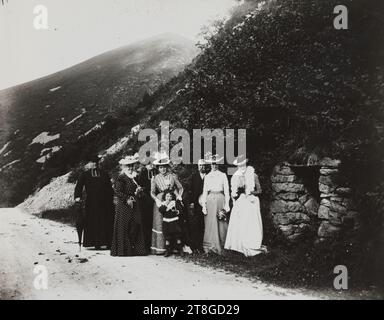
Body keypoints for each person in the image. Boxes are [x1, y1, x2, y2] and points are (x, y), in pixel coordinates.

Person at [225, 154, 264, 257]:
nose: (241, 166)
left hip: (251, 201)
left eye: (243, 164)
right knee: (239, 222)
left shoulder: (253, 175)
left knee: (250, 223)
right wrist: (237, 194)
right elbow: (233, 192)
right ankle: (239, 245)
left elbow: (260, 190)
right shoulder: (235, 176)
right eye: (239, 165)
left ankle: (250, 243)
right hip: (241, 201)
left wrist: (251, 192)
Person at [74, 154, 114, 249]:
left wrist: (111, 198)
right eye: (92, 162)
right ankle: (94, 243)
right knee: (93, 222)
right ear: (90, 163)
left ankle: (105, 242)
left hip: (104, 203)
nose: (94, 164)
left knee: (104, 221)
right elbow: (78, 187)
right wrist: (77, 197)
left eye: (96, 162)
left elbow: (109, 188)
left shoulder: (104, 174)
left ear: (98, 163)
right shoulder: (85, 174)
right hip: (91, 202)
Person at [111, 154, 147, 256]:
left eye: (132, 165)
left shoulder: (136, 176)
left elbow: (140, 190)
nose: (130, 167)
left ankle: (136, 249)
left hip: (135, 203)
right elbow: (117, 191)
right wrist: (127, 198)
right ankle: (125, 250)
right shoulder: (121, 177)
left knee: (136, 224)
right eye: (128, 166)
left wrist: (139, 191)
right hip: (124, 205)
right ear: (124, 167)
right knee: (125, 226)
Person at [150, 154, 184, 255]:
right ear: (158, 168)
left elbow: (180, 188)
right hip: (161, 200)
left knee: (174, 223)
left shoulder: (172, 176)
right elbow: (152, 192)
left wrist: (178, 197)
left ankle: (176, 247)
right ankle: (162, 248)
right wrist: (156, 199)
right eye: (160, 167)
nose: (163, 169)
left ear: (167, 167)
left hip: (172, 198)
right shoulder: (155, 178)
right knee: (161, 223)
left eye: (164, 166)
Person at [201, 154, 230, 255]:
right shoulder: (207, 176)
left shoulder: (223, 175)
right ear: (210, 164)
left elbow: (226, 191)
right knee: (210, 222)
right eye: (213, 164)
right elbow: (205, 191)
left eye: (216, 163)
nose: (214, 165)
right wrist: (204, 205)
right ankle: (210, 246)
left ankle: (222, 245)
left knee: (221, 221)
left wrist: (227, 204)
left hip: (220, 199)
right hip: (210, 200)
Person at [137, 162, 158, 253]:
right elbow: (139, 185)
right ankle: (146, 245)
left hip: (156, 199)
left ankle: (155, 245)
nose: (151, 165)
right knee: (146, 222)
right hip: (145, 201)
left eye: (152, 163)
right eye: (149, 163)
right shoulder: (143, 172)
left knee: (155, 221)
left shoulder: (157, 172)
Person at [188, 159, 207, 254]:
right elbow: (190, 190)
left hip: (206, 204)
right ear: (197, 166)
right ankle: (195, 246)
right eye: (200, 165)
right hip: (196, 204)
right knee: (196, 225)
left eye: (203, 165)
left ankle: (203, 246)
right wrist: (191, 202)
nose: (202, 167)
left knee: (204, 225)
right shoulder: (194, 177)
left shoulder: (208, 176)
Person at [158, 190, 184, 257]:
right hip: (166, 222)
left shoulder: (174, 203)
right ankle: (167, 250)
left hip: (174, 222)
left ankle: (180, 250)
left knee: (177, 236)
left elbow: (180, 210)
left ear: (172, 197)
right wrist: (166, 204)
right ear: (165, 197)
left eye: (170, 196)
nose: (169, 198)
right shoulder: (163, 203)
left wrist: (177, 211)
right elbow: (161, 210)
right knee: (167, 237)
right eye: (167, 196)